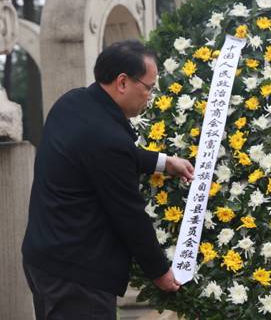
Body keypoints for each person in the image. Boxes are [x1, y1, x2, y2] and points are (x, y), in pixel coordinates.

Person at [22, 40, 194, 320]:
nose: (150, 96)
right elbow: (129, 215)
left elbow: (108, 157)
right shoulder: (107, 138)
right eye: (148, 87)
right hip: (77, 277)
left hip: (43, 257)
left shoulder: (73, 102)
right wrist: (161, 273)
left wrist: (164, 162)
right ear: (123, 82)